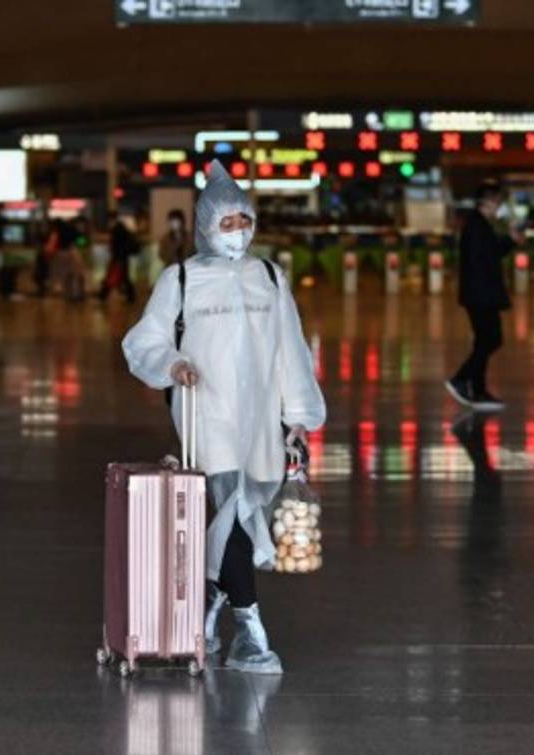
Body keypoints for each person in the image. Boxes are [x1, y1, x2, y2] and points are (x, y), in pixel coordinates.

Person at [122, 161, 326, 674]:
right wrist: (174, 364)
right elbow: (144, 340)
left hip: (261, 420)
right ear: (207, 226)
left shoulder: (269, 277)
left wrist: (298, 416)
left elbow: (291, 350)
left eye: (244, 222)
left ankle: (209, 603)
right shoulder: (183, 278)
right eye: (227, 223)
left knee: (240, 513)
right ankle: (250, 632)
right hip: (205, 417)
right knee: (232, 509)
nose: (238, 233)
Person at [445, 183, 524, 412]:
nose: (499, 207)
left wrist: (510, 241)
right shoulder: (476, 226)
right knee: (492, 339)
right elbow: (486, 258)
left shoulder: (480, 225)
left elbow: (492, 253)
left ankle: (477, 390)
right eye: (497, 202)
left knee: (485, 340)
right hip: (480, 295)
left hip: (481, 294)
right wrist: (508, 241)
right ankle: (461, 380)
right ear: (486, 202)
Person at [99, 212, 139, 303]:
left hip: (119, 257)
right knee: (122, 276)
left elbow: (117, 245)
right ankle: (130, 296)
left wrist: (114, 252)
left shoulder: (117, 229)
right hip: (122, 257)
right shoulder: (121, 228)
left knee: (114, 276)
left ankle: (103, 295)